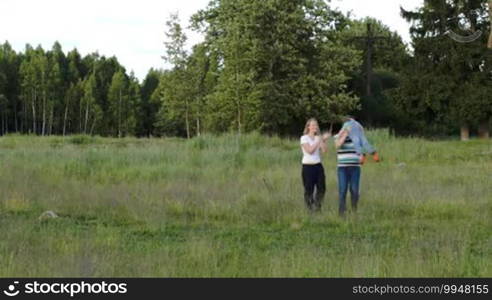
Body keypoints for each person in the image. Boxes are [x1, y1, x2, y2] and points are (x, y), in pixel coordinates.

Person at [300, 118, 331, 212]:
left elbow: (324, 151)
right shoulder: (304, 138)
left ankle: (317, 207)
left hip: (318, 166)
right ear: (308, 127)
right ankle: (310, 209)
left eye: (316, 125)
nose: (315, 127)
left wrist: (324, 141)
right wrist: (319, 140)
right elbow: (310, 151)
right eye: (313, 125)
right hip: (307, 167)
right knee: (309, 190)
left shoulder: (318, 138)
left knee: (322, 188)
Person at [334, 127, 362, 216]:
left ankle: (354, 210)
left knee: (355, 190)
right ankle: (342, 212)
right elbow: (338, 145)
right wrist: (345, 134)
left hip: (355, 167)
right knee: (343, 190)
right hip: (342, 168)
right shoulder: (337, 136)